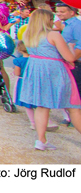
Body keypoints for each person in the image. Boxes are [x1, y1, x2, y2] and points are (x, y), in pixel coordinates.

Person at [18, 9, 81, 150]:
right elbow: (70, 57)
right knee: (74, 106)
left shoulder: (28, 34)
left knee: (41, 106)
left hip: (36, 69)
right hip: (54, 71)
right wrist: (76, 48)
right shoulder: (53, 34)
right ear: (46, 20)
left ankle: (41, 140)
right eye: (51, 19)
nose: (54, 21)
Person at [12, 41, 60, 132]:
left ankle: (33, 123)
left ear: (19, 49)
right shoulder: (35, 60)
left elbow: (17, 73)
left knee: (27, 105)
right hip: (34, 81)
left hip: (23, 82)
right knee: (38, 102)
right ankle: (46, 121)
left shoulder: (18, 61)